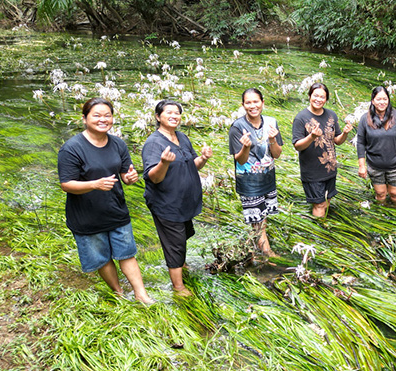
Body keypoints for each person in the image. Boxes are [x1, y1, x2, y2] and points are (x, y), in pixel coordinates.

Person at [57, 98, 153, 304]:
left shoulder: (117, 143)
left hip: (116, 209)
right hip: (86, 215)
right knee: (102, 258)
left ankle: (141, 294)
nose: (103, 119)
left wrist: (130, 178)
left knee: (127, 253)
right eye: (97, 115)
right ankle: (118, 292)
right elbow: (66, 184)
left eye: (107, 115)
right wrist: (95, 184)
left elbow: (125, 174)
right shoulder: (72, 148)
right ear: (84, 118)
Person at [142, 99, 213, 296]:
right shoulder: (153, 143)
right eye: (169, 113)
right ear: (158, 117)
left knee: (183, 235)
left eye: (177, 113)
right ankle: (178, 287)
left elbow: (192, 164)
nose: (174, 116)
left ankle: (181, 264)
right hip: (167, 203)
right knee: (174, 243)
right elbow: (153, 177)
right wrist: (164, 162)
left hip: (185, 201)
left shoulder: (181, 137)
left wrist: (204, 158)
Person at [228, 88, 283, 255]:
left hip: (267, 179)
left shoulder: (271, 122)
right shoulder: (237, 127)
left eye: (256, 101)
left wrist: (272, 140)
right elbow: (241, 160)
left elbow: (277, 154)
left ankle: (253, 252)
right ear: (243, 105)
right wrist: (246, 146)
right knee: (258, 220)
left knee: (262, 219)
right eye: (248, 102)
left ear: (262, 102)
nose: (252, 106)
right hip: (249, 182)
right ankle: (267, 252)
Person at [292, 83, 353, 218]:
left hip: (330, 168)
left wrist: (344, 133)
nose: (318, 99)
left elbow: (337, 141)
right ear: (309, 96)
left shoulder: (331, 115)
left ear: (326, 99)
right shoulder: (301, 118)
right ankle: (318, 236)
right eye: (315, 96)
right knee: (319, 204)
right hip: (312, 171)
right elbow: (297, 145)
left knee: (327, 201)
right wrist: (312, 136)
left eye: (322, 97)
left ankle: (323, 229)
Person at [357, 86, 396, 205]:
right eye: (379, 99)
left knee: (395, 194)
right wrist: (362, 165)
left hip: (395, 164)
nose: (382, 102)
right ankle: (382, 217)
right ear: (373, 101)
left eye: (385, 99)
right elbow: (360, 143)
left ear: (388, 100)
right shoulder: (365, 119)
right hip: (374, 165)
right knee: (380, 194)